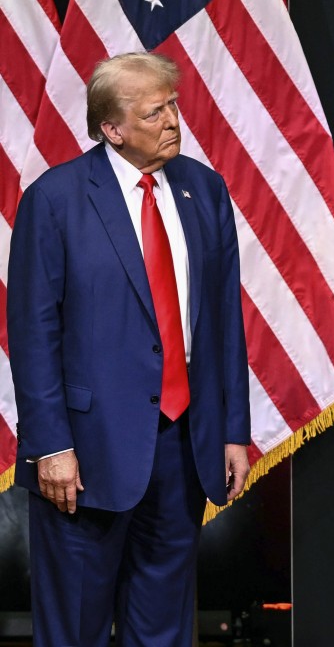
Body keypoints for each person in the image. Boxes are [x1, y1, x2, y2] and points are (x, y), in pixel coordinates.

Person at [8, 52, 251, 647]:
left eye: (173, 105)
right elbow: (33, 332)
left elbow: (223, 321)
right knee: (76, 629)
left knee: (164, 626)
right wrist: (51, 447)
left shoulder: (204, 188)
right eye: (155, 112)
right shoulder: (56, 198)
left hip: (183, 443)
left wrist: (231, 430)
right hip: (85, 455)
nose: (174, 121)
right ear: (111, 129)